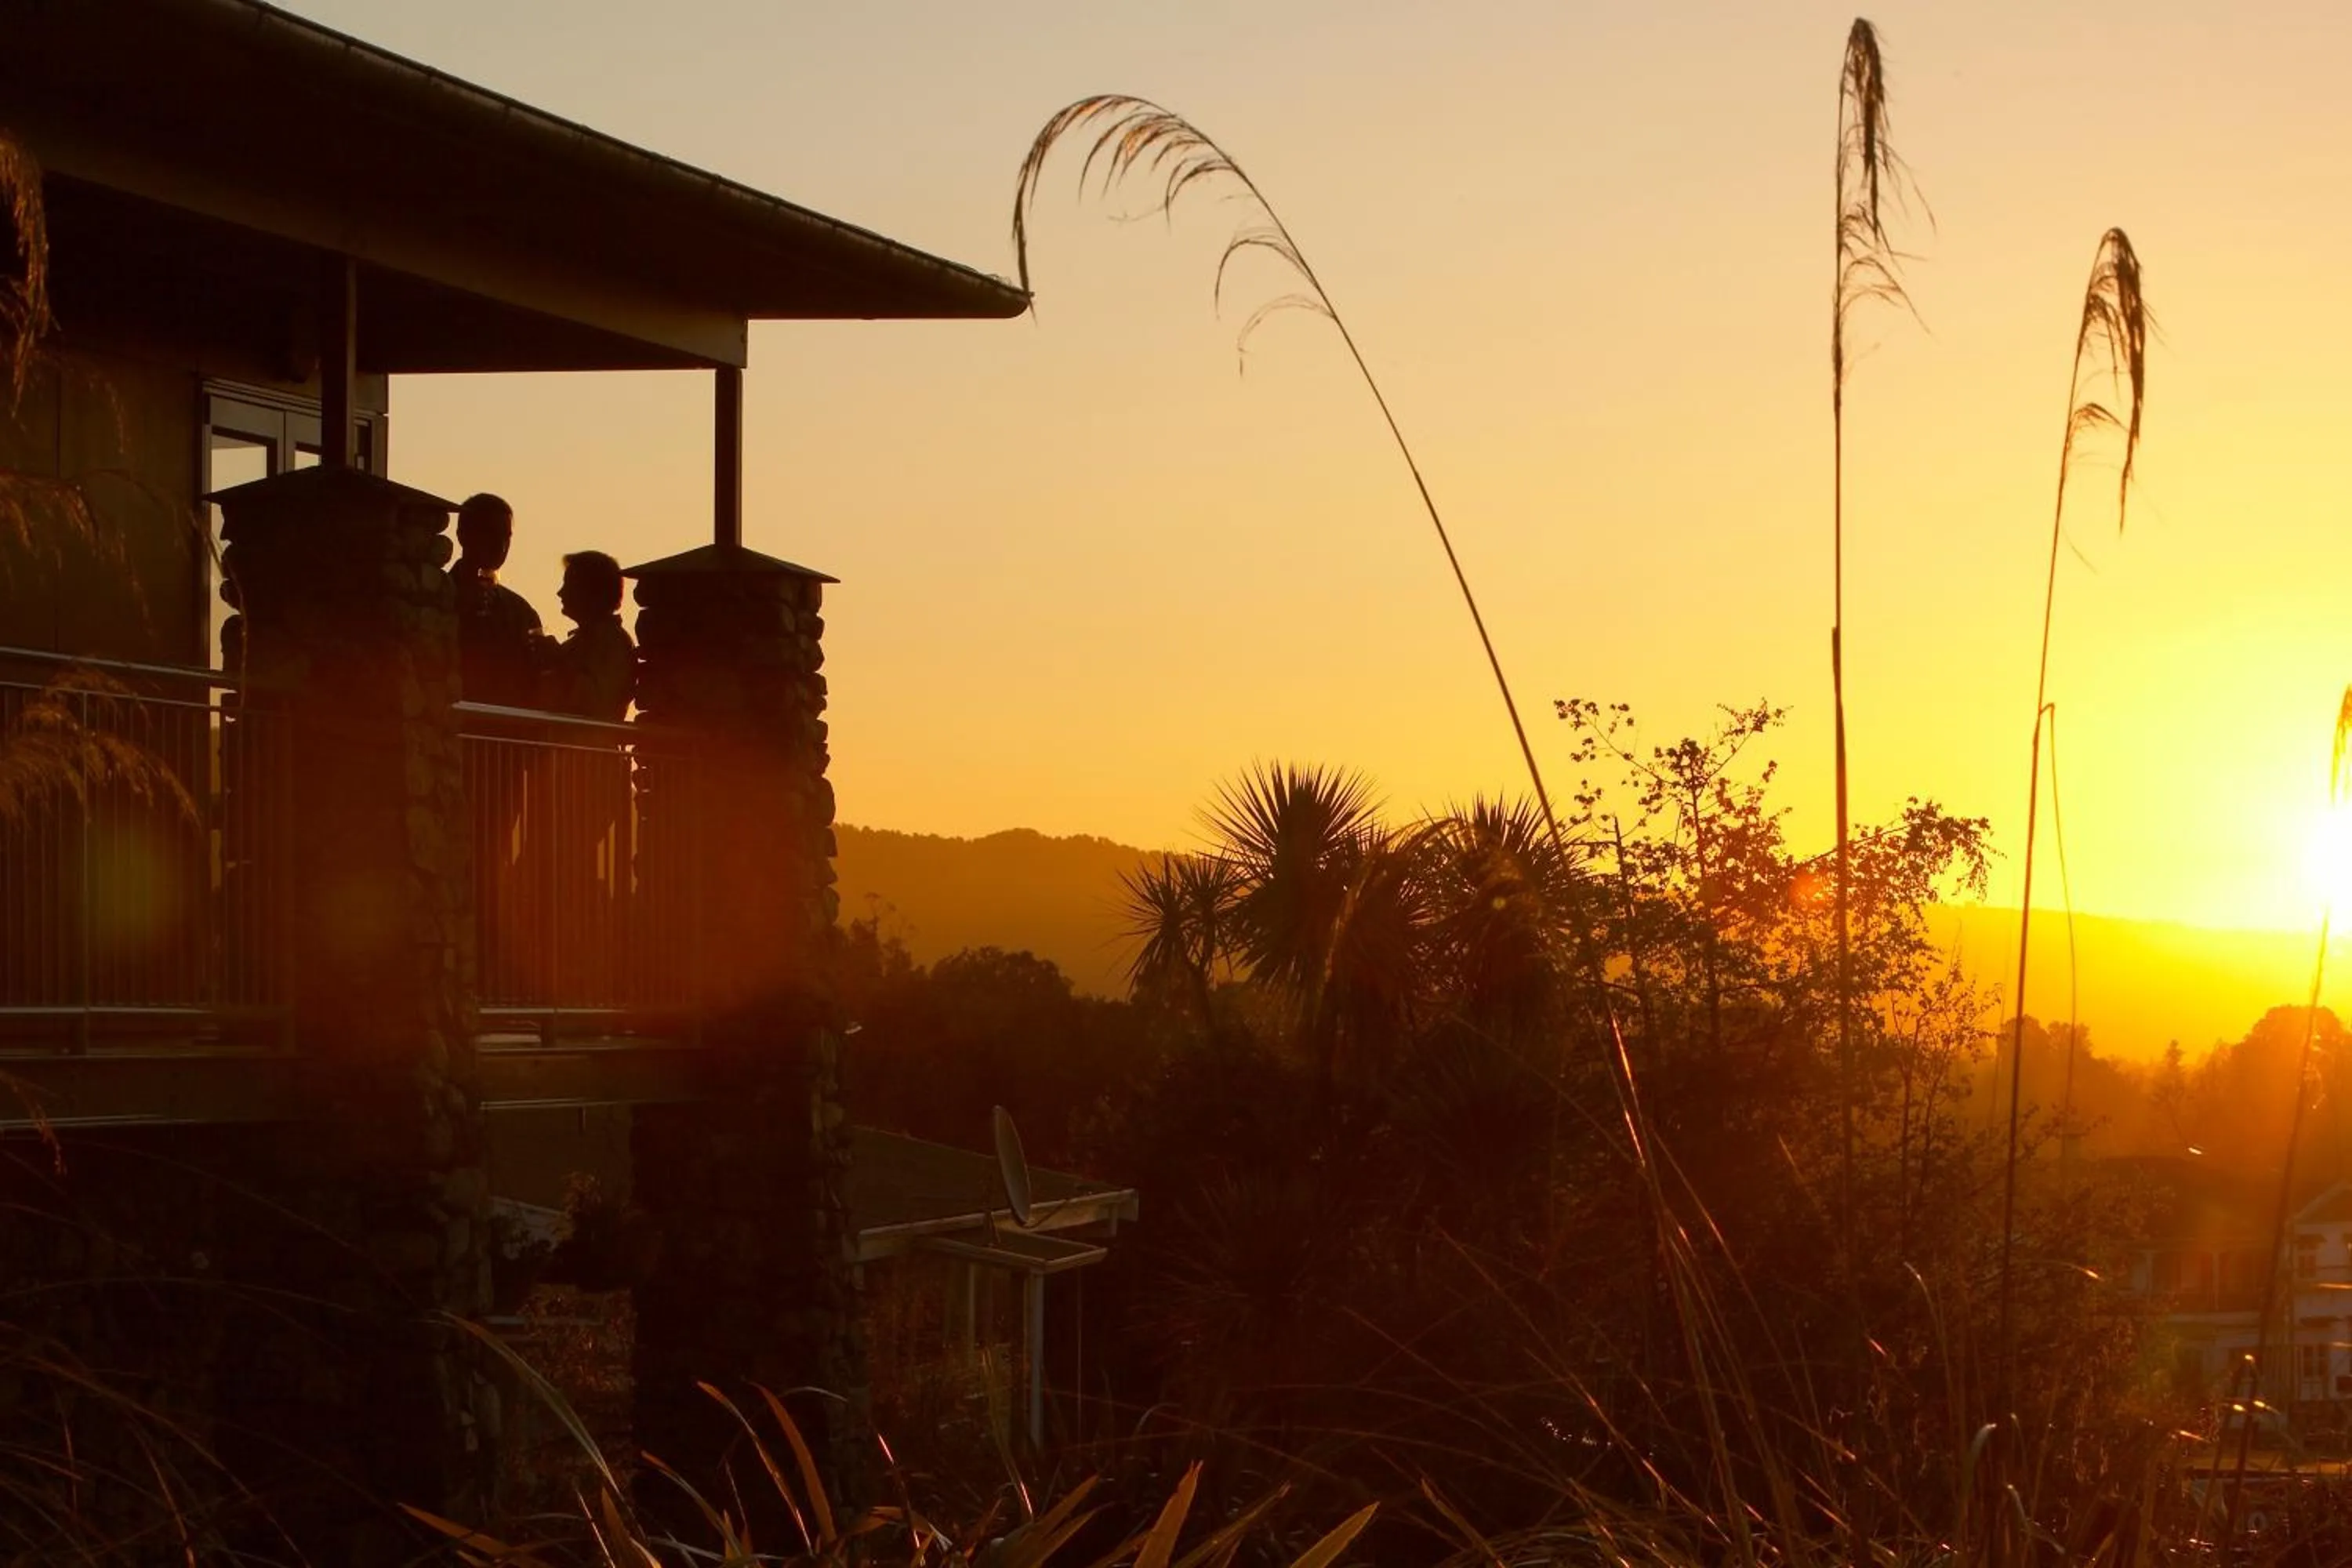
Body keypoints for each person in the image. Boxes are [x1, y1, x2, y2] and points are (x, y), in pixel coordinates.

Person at [450, 493, 543, 708]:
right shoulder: (435, 599)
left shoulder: (521, 611)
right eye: (490, 534)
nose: (500, 545)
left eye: (506, 537)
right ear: (463, 536)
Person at [538, 550, 635, 722]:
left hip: (589, 739)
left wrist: (558, 659)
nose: (560, 593)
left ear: (592, 592)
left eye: (569, 585)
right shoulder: (579, 643)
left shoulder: (614, 644)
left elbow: (595, 703)